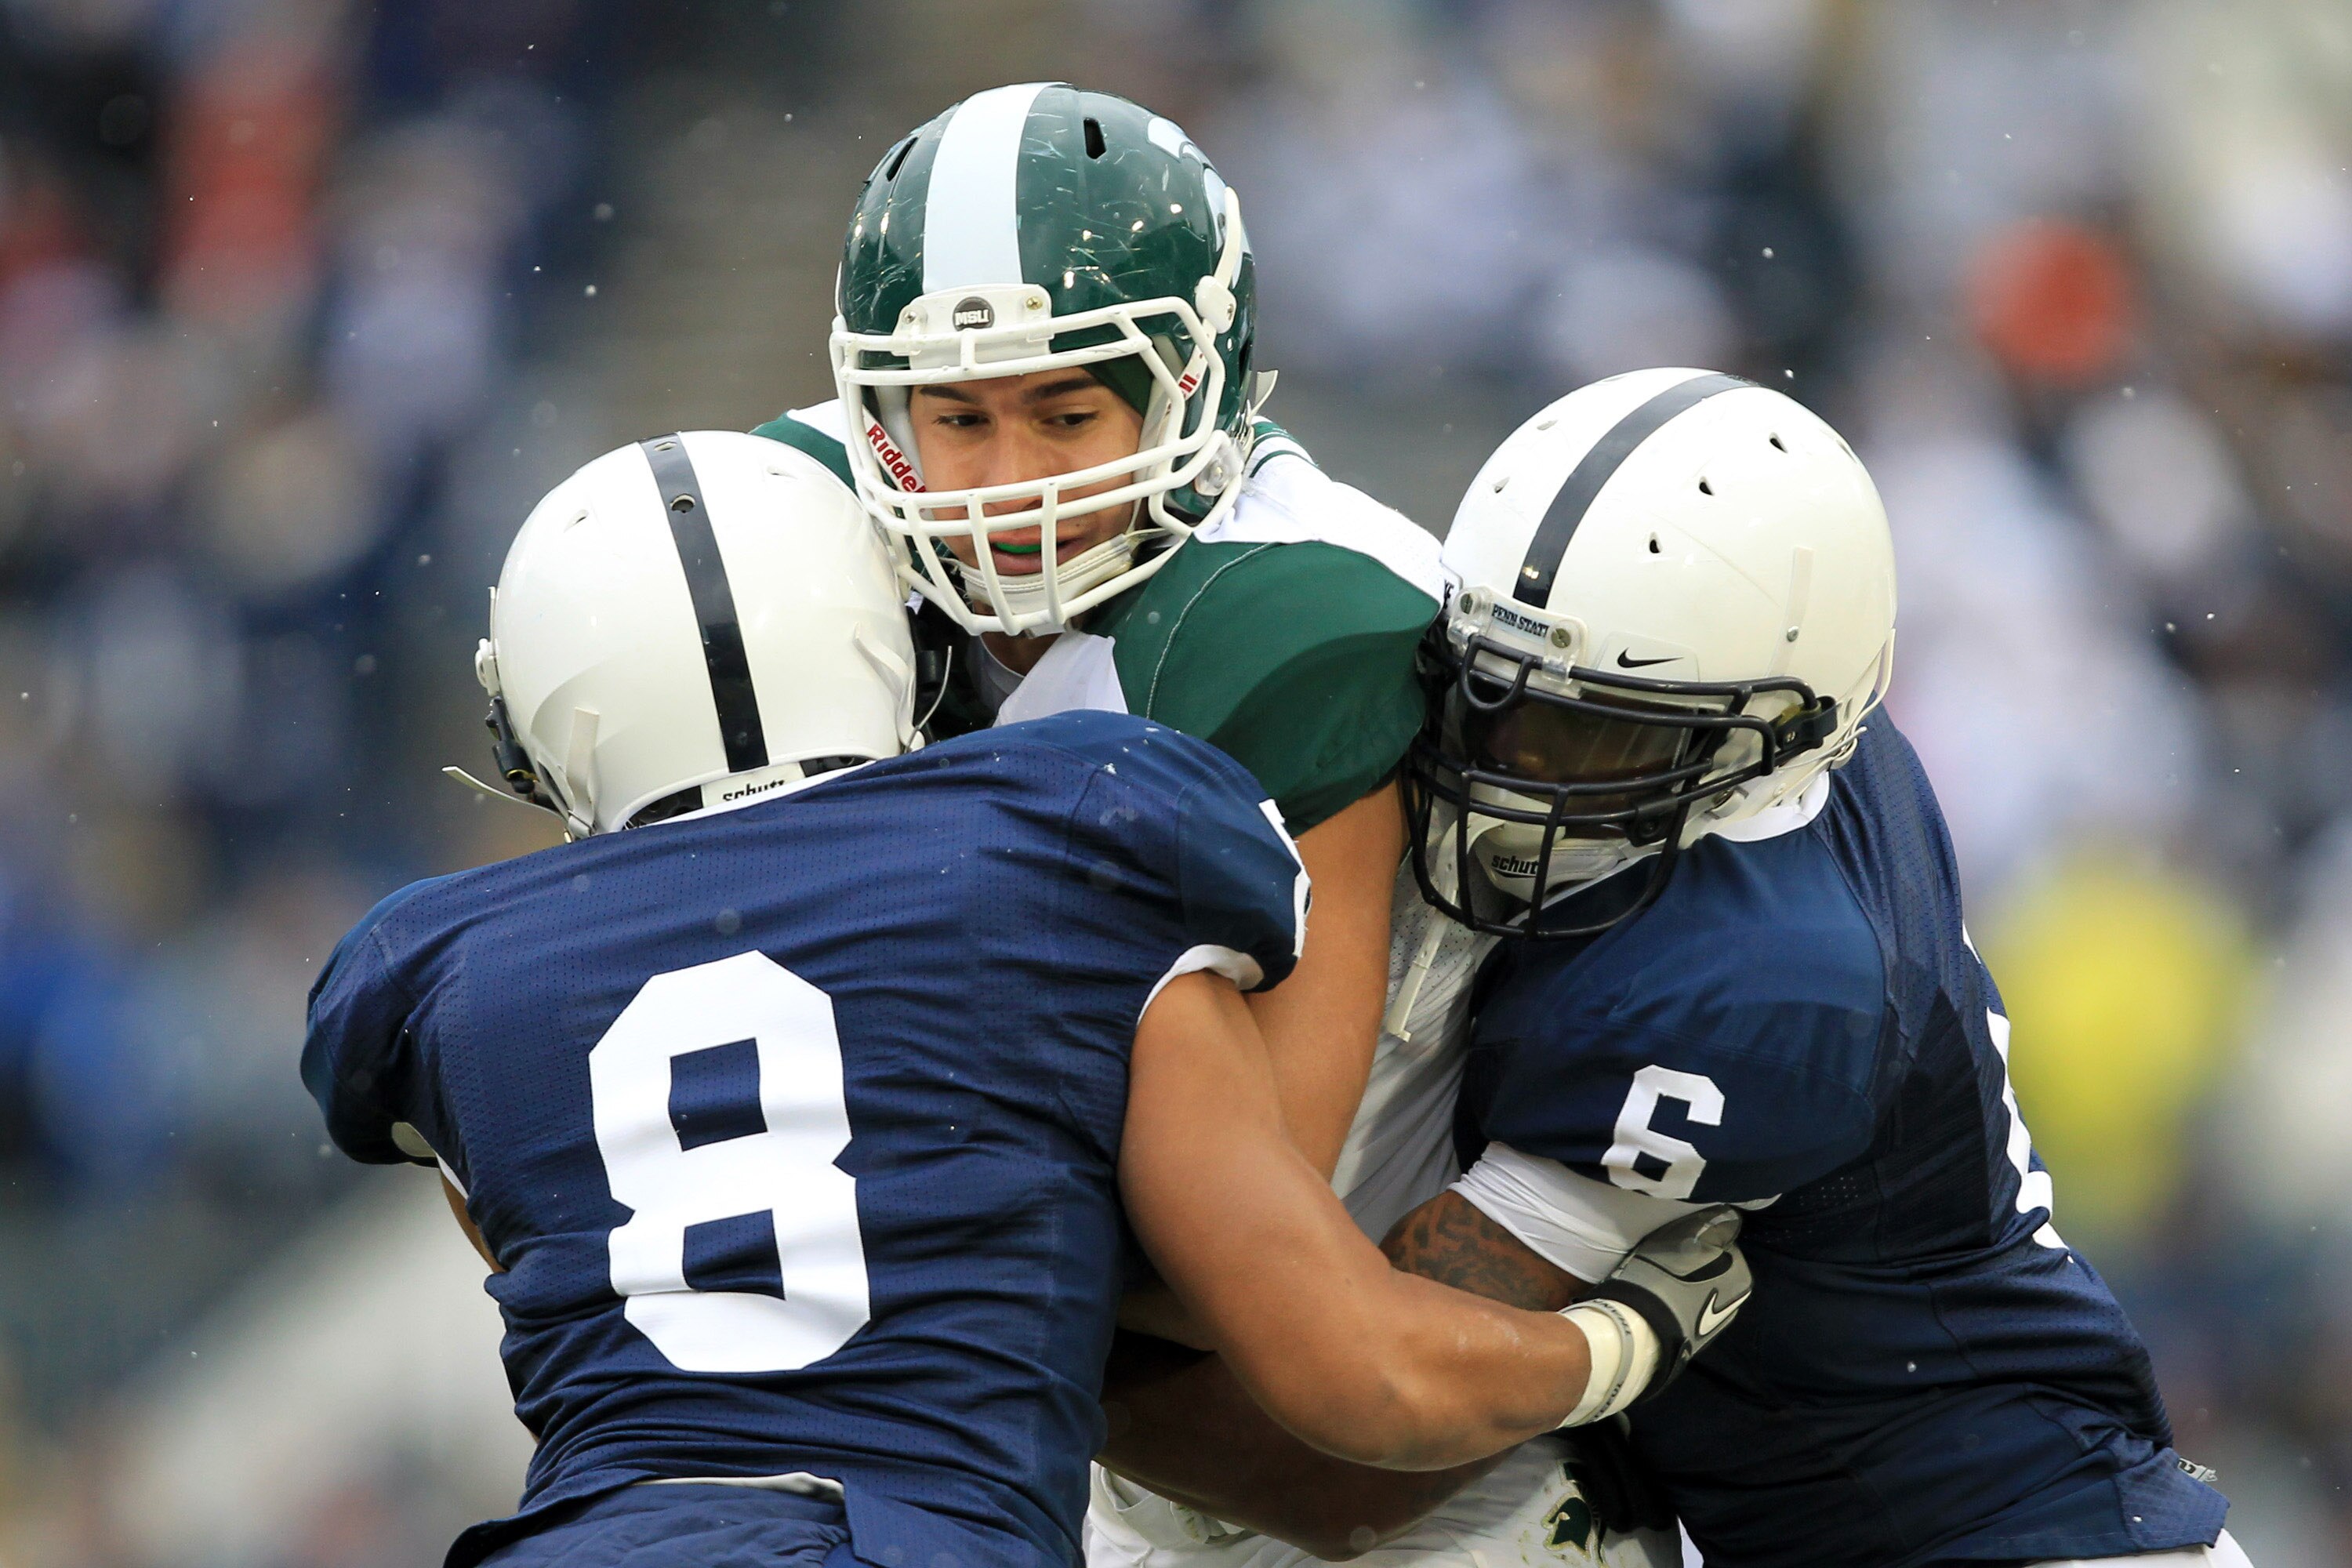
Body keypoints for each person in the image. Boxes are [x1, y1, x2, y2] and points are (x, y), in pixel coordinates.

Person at [300, 431, 1751, 1568]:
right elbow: (1347, 1372)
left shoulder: (437, 975)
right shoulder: (1067, 829)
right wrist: (1632, 1336)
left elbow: (557, 1248)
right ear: (885, 633)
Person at [1097, 371, 2250, 1568]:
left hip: (1991, 1533)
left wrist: (1011, 1343)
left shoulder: (1740, 988)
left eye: (1598, 734)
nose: (1511, 767)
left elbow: (1344, 1447)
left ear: (1789, 734)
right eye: (1489, 695)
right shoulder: (1754, 711)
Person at [752, 86, 1610, 1563]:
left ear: (1195, 389)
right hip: (1092, 1448)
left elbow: (1238, 1225)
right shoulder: (790, 539)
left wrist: (881, 1236)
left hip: (1418, 1431)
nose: (1006, 480)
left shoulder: (1292, 617)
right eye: (954, 416)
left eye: (1066, 411)